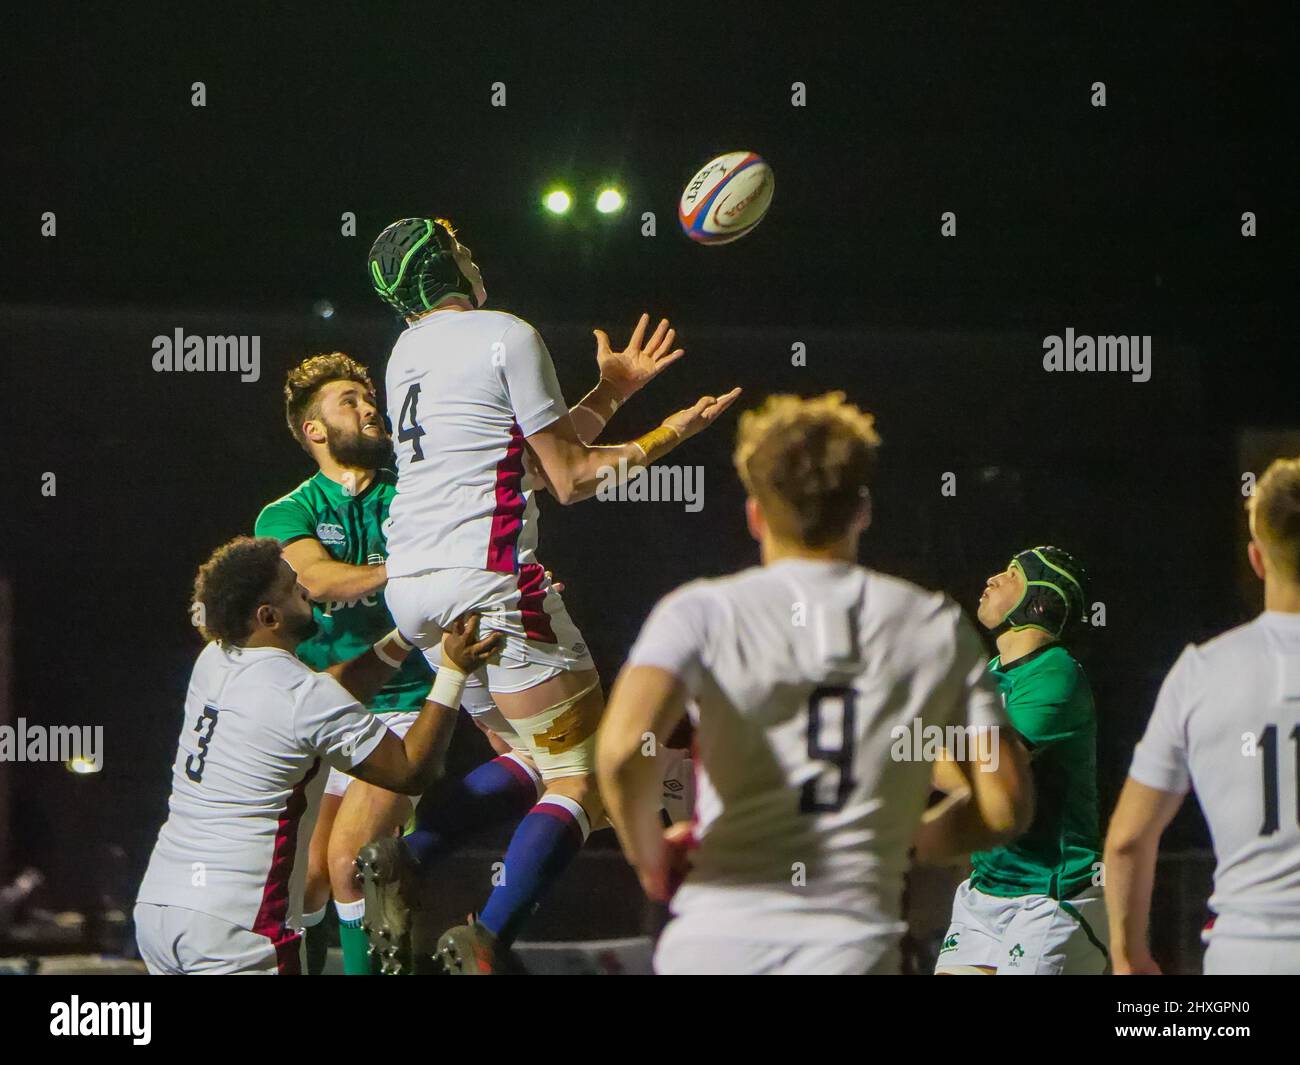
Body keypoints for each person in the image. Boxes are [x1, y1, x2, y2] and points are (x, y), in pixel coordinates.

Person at [360, 216, 739, 973]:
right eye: (462, 248)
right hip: (491, 581)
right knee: (587, 774)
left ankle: (409, 857)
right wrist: (670, 431)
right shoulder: (508, 331)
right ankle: (485, 941)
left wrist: (611, 390)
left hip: (415, 590)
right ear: (443, 266)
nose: (475, 254)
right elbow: (568, 479)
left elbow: (527, 462)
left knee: (532, 756)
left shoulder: (405, 354)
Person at [597, 392, 1032, 975]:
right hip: (849, 952)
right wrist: (905, 840)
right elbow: (1006, 803)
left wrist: (652, 862)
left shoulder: (699, 613)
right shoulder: (931, 624)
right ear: (863, 510)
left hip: (712, 947)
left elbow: (624, 751)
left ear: (754, 512)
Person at [134, 536, 498, 974]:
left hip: (160, 908)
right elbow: (412, 770)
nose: (305, 591)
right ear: (267, 616)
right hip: (238, 924)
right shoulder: (299, 696)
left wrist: (404, 637)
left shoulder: (215, 659)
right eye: (292, 588)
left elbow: (328, 694)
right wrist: (453, 674)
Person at [1105, 456, 1300, 975]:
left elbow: (1127, 841)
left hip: (1249, 959)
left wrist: (1130, 958)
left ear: (1258, 559)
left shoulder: (1203, 672)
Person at [934, 545, 1107, 975]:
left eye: (1011, 573)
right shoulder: (988, 673)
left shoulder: (1055, 672)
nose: (993, 578)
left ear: (1040, 599)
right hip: (986, 892)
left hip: (1050, 898)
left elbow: (983, 769)